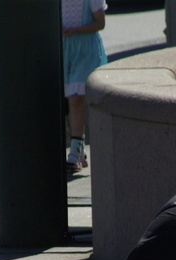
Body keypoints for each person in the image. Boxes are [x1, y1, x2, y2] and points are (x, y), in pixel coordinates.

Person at [61, 0, 107, 171]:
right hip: (65, 49)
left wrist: (76, 30)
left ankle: (74, 151)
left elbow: (100, 23)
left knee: (76, 98)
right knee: (70, 99)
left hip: (86, 49)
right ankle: (78, 145)